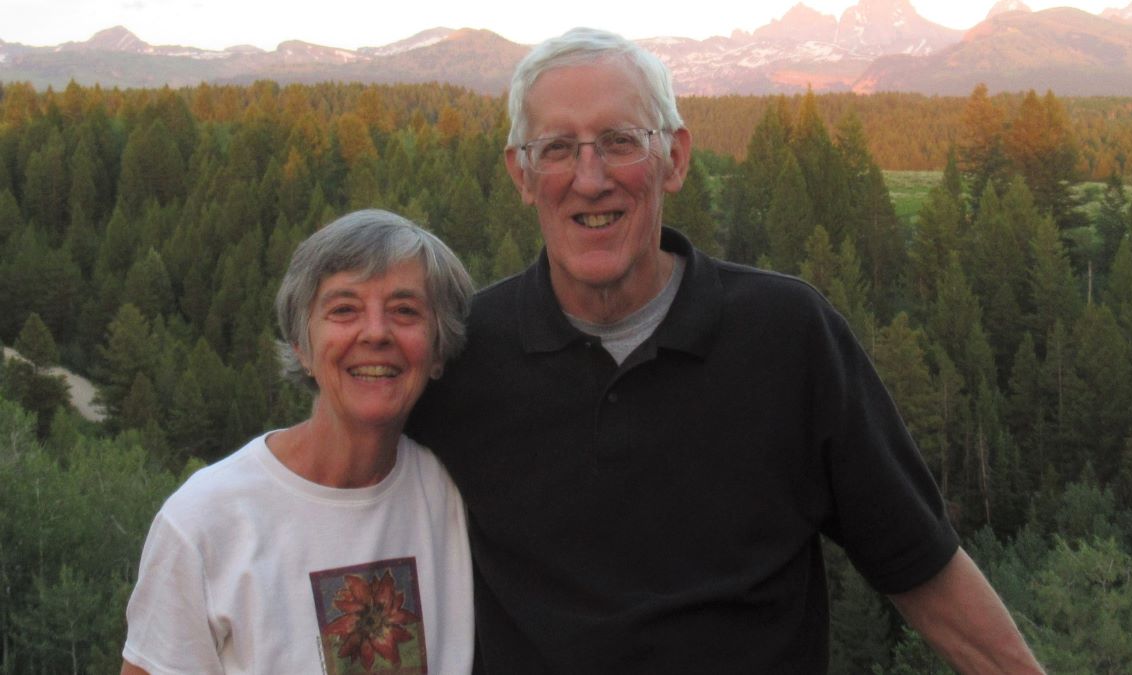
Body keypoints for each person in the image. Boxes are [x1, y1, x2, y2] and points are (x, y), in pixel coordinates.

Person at [408, 28, 1044, 673]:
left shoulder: (788, 336)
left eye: (621, 141)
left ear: (675, 159)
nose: (590, 179)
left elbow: (921, 568)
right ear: (522, 173)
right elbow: (354, 510)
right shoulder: (460, 352)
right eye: (557, 149)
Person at [121, 210, 475, 674]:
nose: (375, 332)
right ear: (301, 346)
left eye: (405, 311)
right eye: (344, 309)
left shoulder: (458, 493)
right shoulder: (204, 523)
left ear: (439, 349)